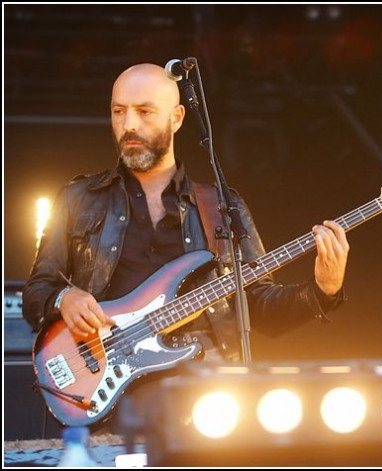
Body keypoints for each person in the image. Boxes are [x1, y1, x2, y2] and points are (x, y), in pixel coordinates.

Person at [22, 63, 349, 382]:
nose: (129, 124)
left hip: (205, 387)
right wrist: (64, 298)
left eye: (144, 111)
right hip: (105, 381)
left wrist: (323, 290)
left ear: (177, 117)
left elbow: (258, 307)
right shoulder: (78, 198)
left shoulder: (220, 205)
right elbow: (36, 293)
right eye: (118, 111)